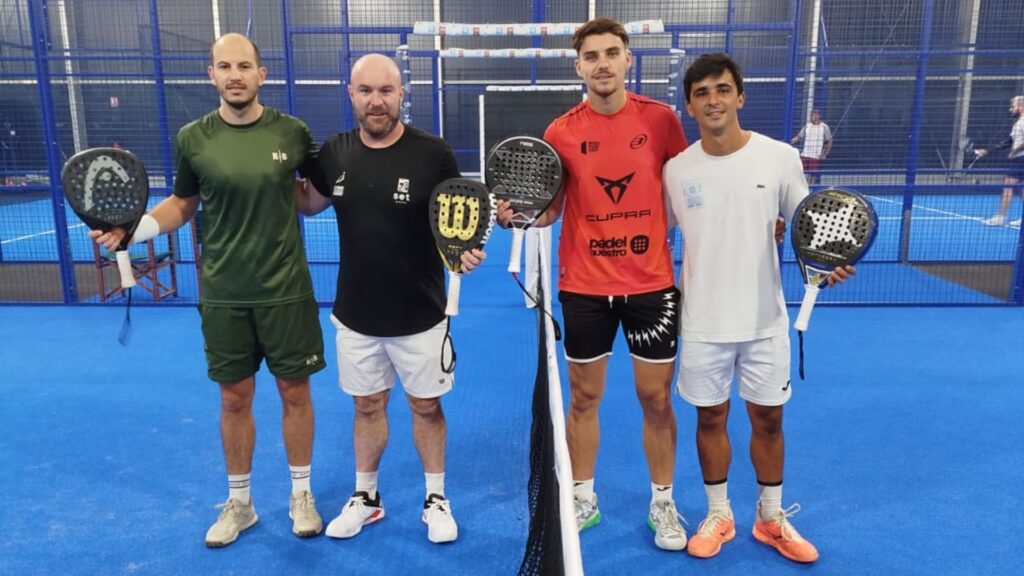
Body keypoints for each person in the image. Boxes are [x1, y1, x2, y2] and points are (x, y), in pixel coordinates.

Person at [89, 33, 326, 547]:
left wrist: (358, 182)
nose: (235, 74)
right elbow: (182, 202)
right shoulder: (193, 138)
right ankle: (240, 504)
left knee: (295, 393)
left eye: (245, 65)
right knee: (234, 398)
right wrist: (136, 231)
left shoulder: (293, 132)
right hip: (224, 293)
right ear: (211, 75)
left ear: (262, 74)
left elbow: (310, 201)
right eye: (225, 66)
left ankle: (301, 495)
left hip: (286, 291)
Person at [496, 18, 689, 551]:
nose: (602, 63)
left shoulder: (662, 120)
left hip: (651, 286)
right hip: (583, 289)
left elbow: (688, 191)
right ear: (578, 66)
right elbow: (550, 209)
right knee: (585, 397)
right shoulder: (561, 131)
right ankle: (583, 496)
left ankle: (663, 501)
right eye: (592, 56)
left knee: (656, 398)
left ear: (628, 59)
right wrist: (515, 215)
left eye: (612, 53)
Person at [663, 53, 854, 563]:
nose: (713, 100)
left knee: (769, 420)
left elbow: (810, 227)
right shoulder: (676, 170)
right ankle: (719, 513)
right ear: (689, 105)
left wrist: (825, 264)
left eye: (722, 89)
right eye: (702, 93)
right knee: (710, 419)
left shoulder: (778, 158)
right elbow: (654, 235)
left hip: (764, 321)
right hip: (702, 322)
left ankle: (770, 517)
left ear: (740, 96)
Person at [296, 53, 486, 544]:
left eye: (386, 91)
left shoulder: (433, 153)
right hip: (355, 313)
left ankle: (436, 498)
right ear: (350, 94)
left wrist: (464, 254)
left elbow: (457, 220)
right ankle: (367, 498)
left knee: (426, 408)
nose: (376, 101)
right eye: (366, 91)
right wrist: (257, 179)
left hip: (421, 313)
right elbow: (308, 200)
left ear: (402, 94)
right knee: (366, 406)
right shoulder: (333, 152)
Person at [977, 95, 1024, 227]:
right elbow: (1008, 142)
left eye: (1013, 106)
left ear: (1021, 107)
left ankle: (1000, 217)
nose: (1011, 109)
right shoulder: (1018, 123)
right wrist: (988, 150)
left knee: (1008, 186)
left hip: (1021, 159)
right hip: (1019, 158)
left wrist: (1014, 152)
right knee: (1021, 189)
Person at [790, 109, 832, 185]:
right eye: (810, 115)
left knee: (813, 174)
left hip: (815, 155)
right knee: (801, 171)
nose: (810, 117)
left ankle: (810, 188)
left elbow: (829, 141)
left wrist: (825, 153)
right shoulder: (807, 126)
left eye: (812, 115)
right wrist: (792, 141)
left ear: (817, 116)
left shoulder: (824, 127)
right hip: (805, 154)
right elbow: (799, 137)